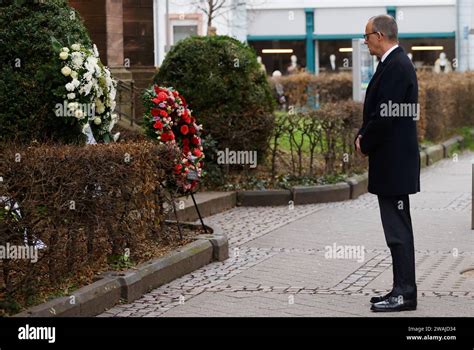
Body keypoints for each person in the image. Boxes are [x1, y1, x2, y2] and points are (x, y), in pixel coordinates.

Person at [354, 14, 420, 312]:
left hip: (394, 165)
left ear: (379, 35)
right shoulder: (394, 63)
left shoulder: (396, 65)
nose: (364, 40)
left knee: (398, 232)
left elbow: (386, 115)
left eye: (366, 35)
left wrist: (364, 141)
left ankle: (404, 293)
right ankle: (400, 289)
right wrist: (363, 133)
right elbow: (380, 112)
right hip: (393, 164)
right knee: (397, 230)